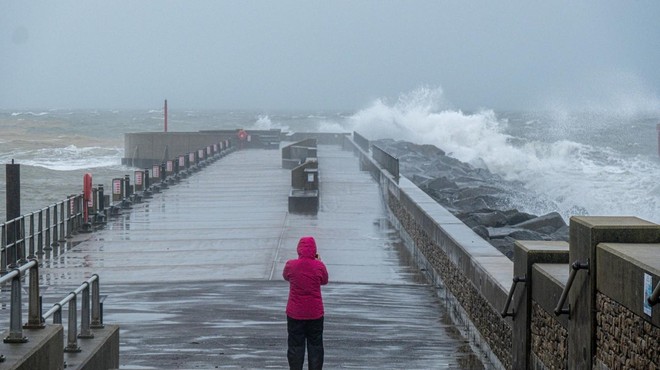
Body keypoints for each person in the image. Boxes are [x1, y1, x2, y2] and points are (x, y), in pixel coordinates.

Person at [282, 236, 329, 370]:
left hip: (295, 313)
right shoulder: (319, 266)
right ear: (314, 250)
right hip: (315, 313)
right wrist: (318, 261)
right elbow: (324, 280)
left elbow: (286, 276)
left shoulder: (291, 265)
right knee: (315, 346)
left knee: (296, 346)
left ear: (299, 249)